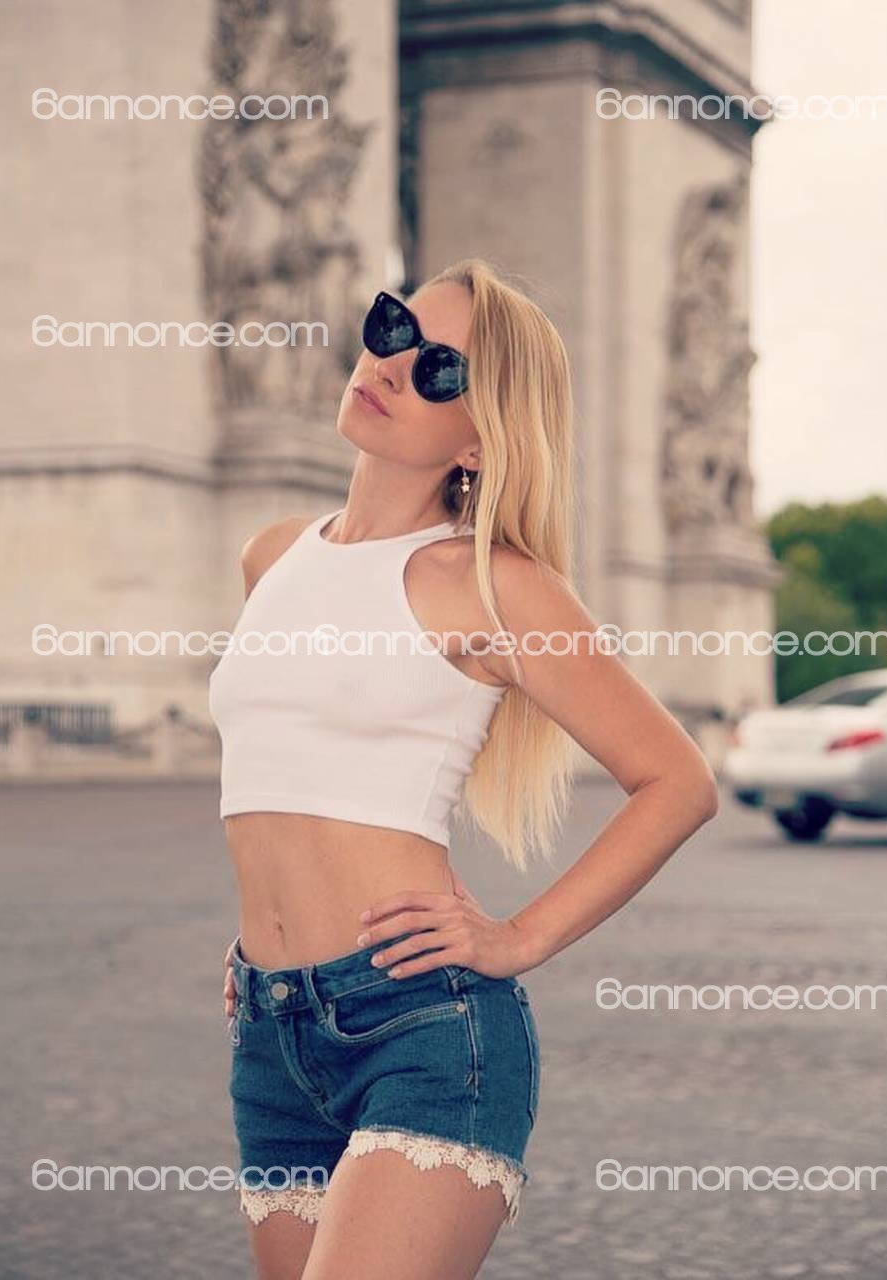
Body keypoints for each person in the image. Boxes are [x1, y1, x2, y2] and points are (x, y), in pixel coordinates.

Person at [209, 258, 719, 1280]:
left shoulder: (493, 585)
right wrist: (266, 935)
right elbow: (291, 772)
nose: (393, 365)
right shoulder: (272, 554)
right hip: (270, 1031)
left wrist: (519, 935)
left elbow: (678, 782)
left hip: (421, 1026)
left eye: (440, 369)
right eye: (393, 328)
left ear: (482, 438)